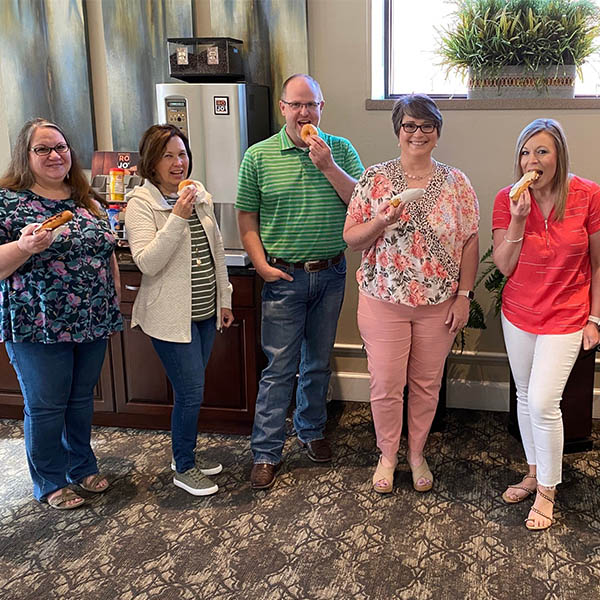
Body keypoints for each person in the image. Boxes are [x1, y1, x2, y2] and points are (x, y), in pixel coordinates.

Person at [343, 94, 479, 494]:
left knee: (425, 384)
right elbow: (352, 238)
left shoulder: (457, 182)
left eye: (426, 126)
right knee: (385, 384)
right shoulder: (374, 179)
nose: (417, 133)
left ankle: (417, 452)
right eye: (409, 126)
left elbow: (470, 241)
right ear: (397, 131)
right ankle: (387, 455)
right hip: (383, 300)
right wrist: (380, 221)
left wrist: (464, 296)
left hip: (439, 304)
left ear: (437, 133)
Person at [236, 74, 364, 490]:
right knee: (278, 368)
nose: (305, 113)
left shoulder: (340, 149)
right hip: (282, 275)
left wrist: (328, 165)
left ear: (321, 108)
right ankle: (267, 451)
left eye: (312, 105)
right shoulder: (258, 156)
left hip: (330, 273)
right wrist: (259, 264)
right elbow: (246, 218)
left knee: (318, 362)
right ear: (283, 109)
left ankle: (311, 431)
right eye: (297, 105)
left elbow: (362, 205)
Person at [0, 118, 123, 509]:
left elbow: (107, 253)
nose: (55, 155)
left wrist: (114, 300)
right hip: (38, 324)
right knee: (47, 405)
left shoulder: (86, 200)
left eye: (61, 147)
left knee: (80, 400)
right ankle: (50, 480)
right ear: (26, 154)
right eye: (43, 149)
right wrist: (24, 248)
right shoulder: (8, 202)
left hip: (92, 319)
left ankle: (82, 466)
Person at [492, 118, 600, 530]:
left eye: (541, 151)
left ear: (559, 156)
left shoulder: (588, 195)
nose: (531, 161)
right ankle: (534, 471)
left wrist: (594, 318)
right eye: (525, 152)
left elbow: (598, 262)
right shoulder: (508, 198)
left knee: (542, 402)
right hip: (519, 313)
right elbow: (503, 265)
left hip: (567, 315)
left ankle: (547, 491)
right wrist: (518, 220)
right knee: (523, 395)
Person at [125, 124, 233, 497]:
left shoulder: (196, 193)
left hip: (204, 314)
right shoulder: (141, 205)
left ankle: (183, 454)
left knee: (193, 390)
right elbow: (148, 262)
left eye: (182, 153)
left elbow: (215, 250)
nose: (177, 162)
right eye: (168, 155)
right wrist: (178, 216)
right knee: (190, 392)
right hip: (170, 319)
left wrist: (225, 299)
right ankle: (184, 467)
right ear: (151, 162)